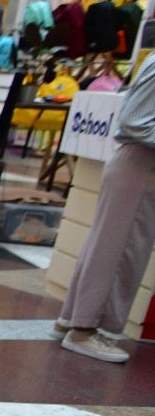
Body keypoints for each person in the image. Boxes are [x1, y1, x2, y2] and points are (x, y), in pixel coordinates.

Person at [56, 55, 155, 364]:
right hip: (142, 163)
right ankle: (84, 330)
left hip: (138, 164)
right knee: (120, 249)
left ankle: (73, 319)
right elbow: (135, 121)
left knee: (107, 246)